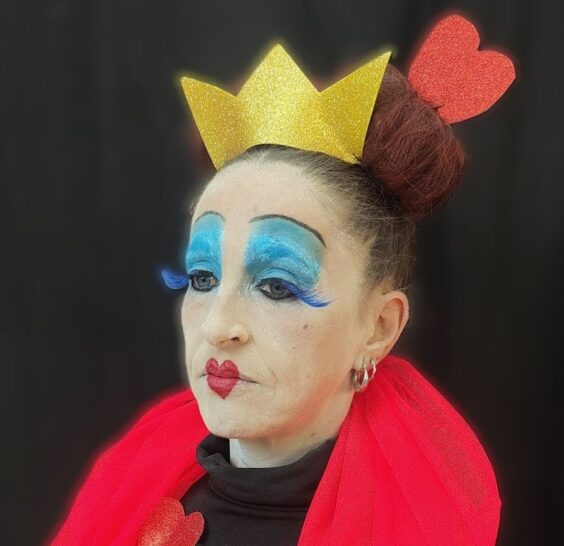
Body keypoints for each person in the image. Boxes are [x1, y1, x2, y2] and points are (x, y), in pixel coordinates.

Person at [47, 12, 516, 546]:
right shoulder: (133, 487)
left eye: (276, 285)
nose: (218, 327)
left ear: (379, 327)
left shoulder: (411, 526)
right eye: (202, 277)